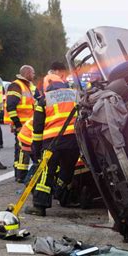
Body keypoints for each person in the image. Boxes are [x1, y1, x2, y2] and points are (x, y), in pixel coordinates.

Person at [24, 61, 79, 216]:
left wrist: (36, 148)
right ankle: (63, 197)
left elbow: (38, 128)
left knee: (45, 173)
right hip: (74, 142)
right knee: (67, 171)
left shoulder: (44, 100)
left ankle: (40, 206)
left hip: (52, 143)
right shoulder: (75, 95)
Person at [4, 65, 36, 182]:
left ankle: (19, 174)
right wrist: (17, 124)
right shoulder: (16, 85)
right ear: (27, 73)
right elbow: (11, 106)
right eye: (33, 73)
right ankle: (20, 175)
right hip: (21, 124)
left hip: (25, 124)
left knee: (22, 149)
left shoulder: (26, 86)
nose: (34, 75)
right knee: (23, 150)